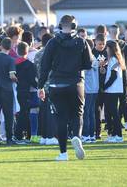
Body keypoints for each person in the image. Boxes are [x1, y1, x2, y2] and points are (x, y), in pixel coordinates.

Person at [38, 15, 92, 161]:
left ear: (61, 26)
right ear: (75, 26)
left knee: (60, 119)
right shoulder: (82, 42)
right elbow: (88, 64)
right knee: (78, 114)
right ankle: (76, 136)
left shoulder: (52, 43)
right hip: (76, 84)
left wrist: (40, 86)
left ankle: (63, 153)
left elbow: (44, 66)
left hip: (56, 85)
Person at [0, 38, 17, 145]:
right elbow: (12, 76)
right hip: (7, 89)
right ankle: (9, 138)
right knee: (8, 114)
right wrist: (17, 80)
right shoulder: (10, 60)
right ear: (10, 48)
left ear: (1, 46)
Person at [34, 33, 58, 145]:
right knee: (52, 112)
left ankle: (43, 136)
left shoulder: (37, 54)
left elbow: (36, 71)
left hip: (40, 86)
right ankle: (51, 136)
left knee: (43, 112)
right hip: (52, 85)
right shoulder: (53, 54)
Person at [14, 41, 39, 144]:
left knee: (19, 114)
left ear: (16, 51)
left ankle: (21, 135)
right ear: (27, 51)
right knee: (24, 114)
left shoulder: (13, 63)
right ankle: (22, 136)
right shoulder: (30, 65)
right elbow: (32, 80)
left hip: (14, 91)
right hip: (25, 92)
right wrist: (39, 87)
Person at [102, 40, 126, 143]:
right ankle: (113, 135)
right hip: (113, 90)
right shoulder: (115, 59)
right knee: (109, 112)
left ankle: (118, 135)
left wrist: (104, 87)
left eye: (107, 48)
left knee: (113, 113)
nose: (105, 49)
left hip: (112, 90)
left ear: (110, 49)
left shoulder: (113, 59)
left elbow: (113, 76)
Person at [82, 39, 99, 143]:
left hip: (88, 89)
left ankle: (86, 135)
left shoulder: (87, 59)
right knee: (91, 113)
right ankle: (92, 135)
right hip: (94, 89)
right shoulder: (94, 58)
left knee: (86, 113)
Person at [93, 33, 108, 140]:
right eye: (99, 44)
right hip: (94, 85)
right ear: (95, 42)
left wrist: (104, 69)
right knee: (96, 110)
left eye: (103, 44)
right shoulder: (91, 53)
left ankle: (109, 130)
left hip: (105, 85)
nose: (101, 46)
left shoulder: (107, 53)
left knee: (105, 109)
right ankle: (97, 131)